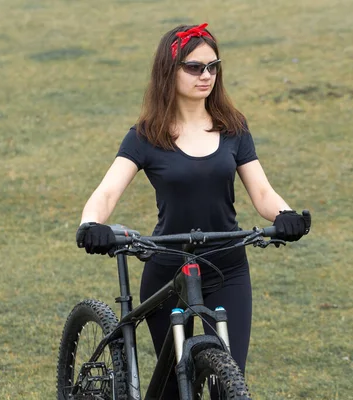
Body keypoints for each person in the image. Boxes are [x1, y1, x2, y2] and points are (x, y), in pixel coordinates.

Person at [76, 23, 308, 398]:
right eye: (194, 67)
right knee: (173, 383)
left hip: (227, 267)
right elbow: (106, 193)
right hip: (168, 270)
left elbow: (262, 191)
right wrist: (91, 224)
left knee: (227, 382)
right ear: (169, 71)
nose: (207, 76)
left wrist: (286, 215)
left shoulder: (232, 127)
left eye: (213, 67)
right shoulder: (146, 134)